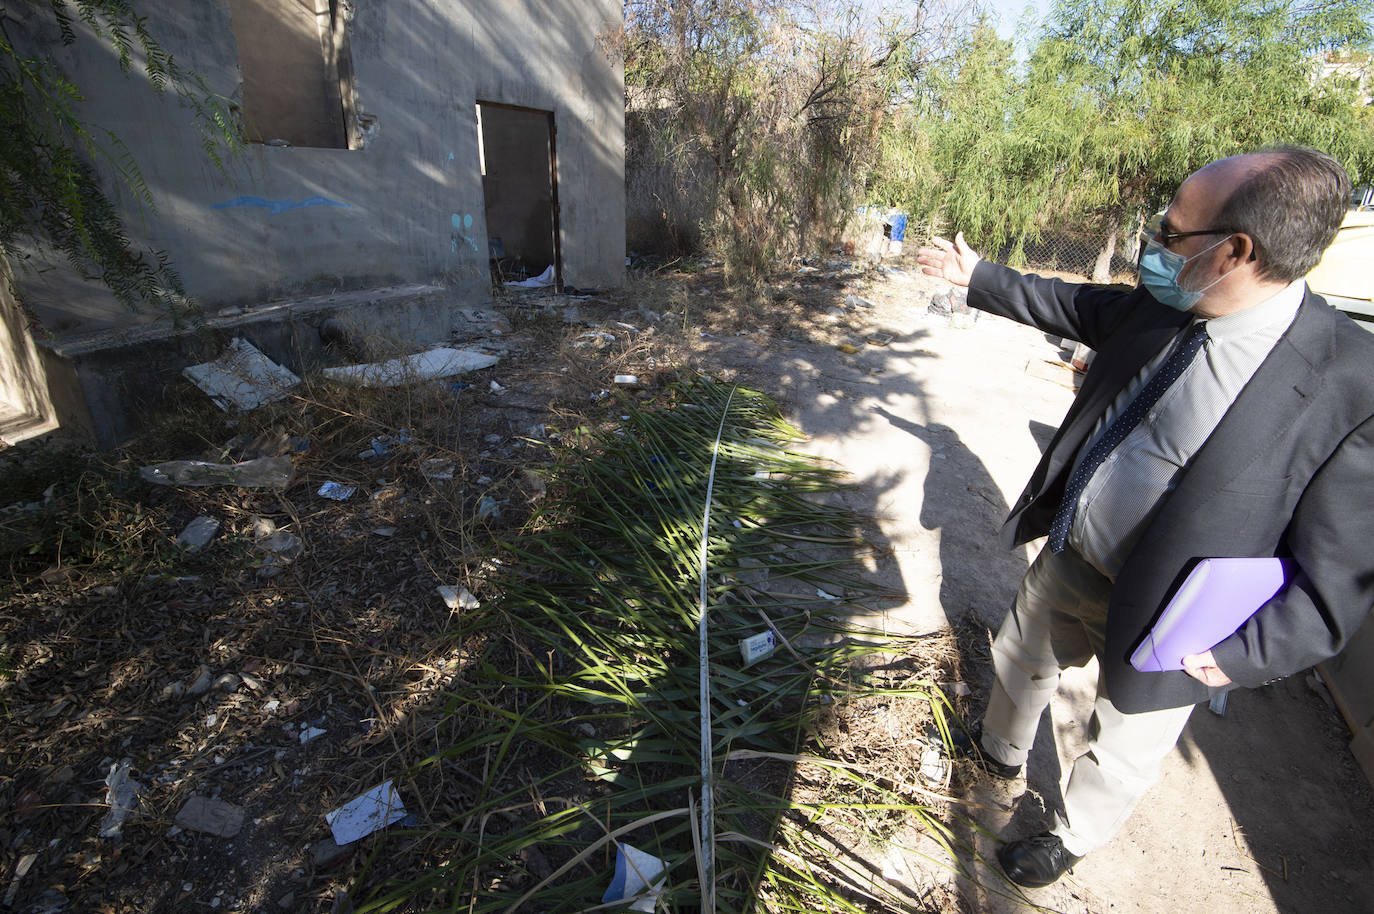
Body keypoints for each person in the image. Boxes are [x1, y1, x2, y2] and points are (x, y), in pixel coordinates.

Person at [914, 146, 1374, 888]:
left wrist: (1243, 656)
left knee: (1123, 741)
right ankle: (999, 747)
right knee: (1021, 658)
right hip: (1074, 554)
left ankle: (1070, 833)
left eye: (1171, 233)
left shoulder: (1351, 384)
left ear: (1235, 252)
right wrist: (977, 278)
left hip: (1171, 621)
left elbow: (1339, 579)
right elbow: (1077, 306)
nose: (1153, 249)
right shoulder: (1173, 300)